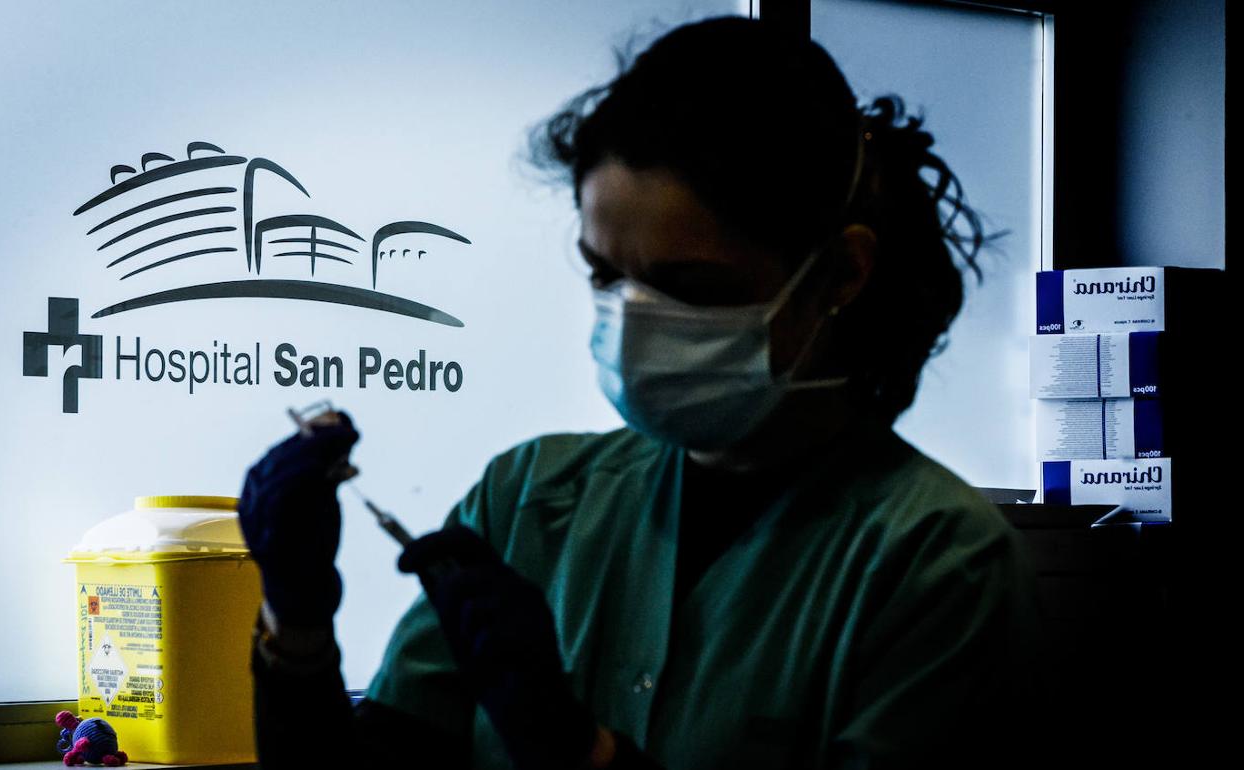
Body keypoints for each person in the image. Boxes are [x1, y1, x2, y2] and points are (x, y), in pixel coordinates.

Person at [239, 15, 1044, 770]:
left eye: (688, 286)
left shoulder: (935, 562)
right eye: (605, 276)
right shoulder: (528, 501)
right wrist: (296, 630)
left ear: (839, 273)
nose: (634, 323)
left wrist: (580, 751)